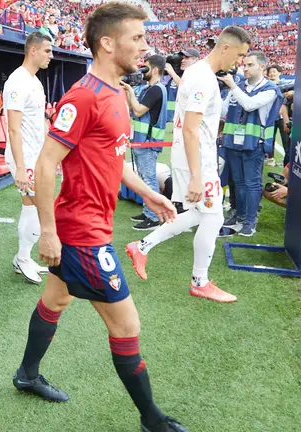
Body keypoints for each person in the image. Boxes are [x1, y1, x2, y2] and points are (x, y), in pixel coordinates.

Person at [12, 4, 186, 431]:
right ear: (107, 44)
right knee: (127, 324)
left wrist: (149, 194)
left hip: (91, 225)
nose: (146, 47)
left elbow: (115, 158)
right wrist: (48, 233)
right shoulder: (84, 95)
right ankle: (152, 420)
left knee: (55, 299)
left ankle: (26, 374)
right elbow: (47, 162)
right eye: (137, 39)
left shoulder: (116, 93)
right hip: (80, 232)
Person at [126, 26, 252, 303]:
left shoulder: (198, 74)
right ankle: (199, 281)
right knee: (213, 217)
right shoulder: (203, 78)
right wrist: (197, 175)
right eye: (241, 55)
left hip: (193, 156)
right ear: (226, 48)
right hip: (198, 160)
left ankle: (142, 246)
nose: (240, 61)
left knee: (200, 214)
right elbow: (191, 129)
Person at [3, 31, 54, 284]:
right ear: (33, 50)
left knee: (31, 206)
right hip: (23, 158)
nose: (51, 56)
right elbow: (14, 127)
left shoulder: (35, 81)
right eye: (47, 51)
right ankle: (23, 258)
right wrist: (21, 167)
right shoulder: (17, 81)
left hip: (36, 156)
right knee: (41, 207)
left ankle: (22, 257)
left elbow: (39, 122)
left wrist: (48, 157)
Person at [219, 51, 283, 237]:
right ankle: (239, 216)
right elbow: (222, 109)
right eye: (244, 65)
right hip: (233, 143)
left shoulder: (270, 89)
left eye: (250, 65)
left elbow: (249, 105)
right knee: (238, 183)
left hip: (254, 144)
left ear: (262, 67)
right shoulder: (238, 86)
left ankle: (250, 220)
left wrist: (232, 86)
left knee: (252, 183)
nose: (245, 68)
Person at [121, 54, 169, 231]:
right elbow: (133, 108)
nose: (143, 70)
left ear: (155, 69)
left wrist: (131, 92)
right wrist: (128, 91)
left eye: (146, 67)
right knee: (143, 178)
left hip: (149, 143)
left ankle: (154, 217)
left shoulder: (157, 89)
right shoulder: (148, 88)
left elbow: (139, 111)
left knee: (149, 180)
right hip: (142, 141)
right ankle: (148, 211)